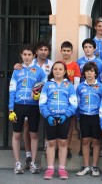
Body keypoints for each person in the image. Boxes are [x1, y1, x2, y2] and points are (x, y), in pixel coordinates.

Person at [9, 44, 46, 174]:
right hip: (18, 105)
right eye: (24, 54)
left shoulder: (39, 70)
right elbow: (12, 89)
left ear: (33, 55)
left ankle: (33, 163)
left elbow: (44, 86)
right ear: (21, 55)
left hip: (33, 106)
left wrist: (38, 92)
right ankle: (18, 163)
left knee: (34, 134)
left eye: (29, 54)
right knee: (17, 134)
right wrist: (10, 108)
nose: (27, 57)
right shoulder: (17, 70)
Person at [39, 61, 78, 180]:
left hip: (64, 118)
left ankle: (62, 169)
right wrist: (47, 115)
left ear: (65, 71)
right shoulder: (47, 85)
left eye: (60, 69)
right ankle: (50, 169)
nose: (57, 71)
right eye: (55, 69)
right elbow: (42, 102)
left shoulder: (69, 85)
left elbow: (74, 103)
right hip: (50, 117)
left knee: (62, 143)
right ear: (52, 71)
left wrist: (66, 115)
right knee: (51, 143)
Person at [76, 62, 102, 177]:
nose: (89, 73)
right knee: (85, 141)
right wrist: (78, 116)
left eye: (92, 71)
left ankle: (94, 166)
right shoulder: (80, 87)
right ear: (84, 73)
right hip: (83, 117)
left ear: (96, 73)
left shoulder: (101, 87)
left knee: (96, 141)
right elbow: (77, 102)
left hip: (96, 117)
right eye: (87, 71)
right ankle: (86, 165)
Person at [60, 41, 81, 158]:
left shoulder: (75, 66)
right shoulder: (58, 64)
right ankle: (59, 147)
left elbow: (77, 83)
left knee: (70, 123)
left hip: (71, 98)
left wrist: (72, 98)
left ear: (72, 52)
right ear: (61, 51)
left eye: (68, 51)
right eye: (64, 50)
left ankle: (67, 146)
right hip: (59, 98)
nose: (66, 53)